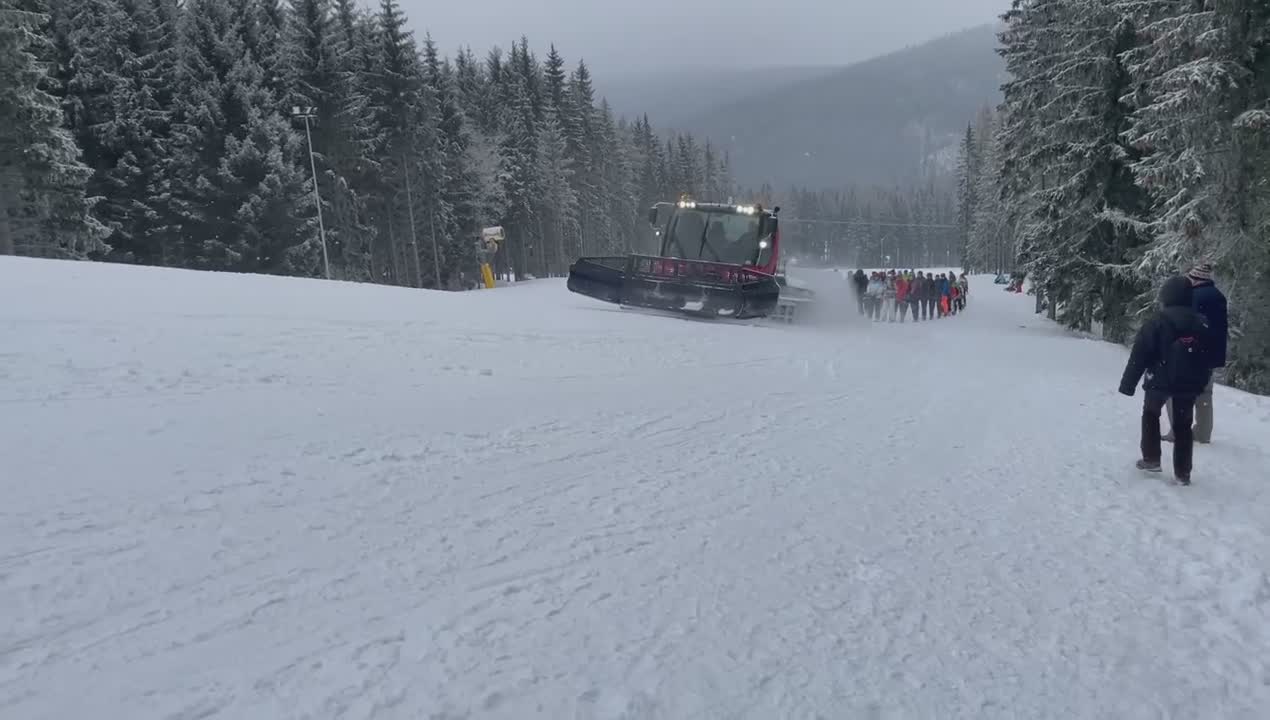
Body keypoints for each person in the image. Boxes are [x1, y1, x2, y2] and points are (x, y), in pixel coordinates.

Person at [1118, 275, 1213, 485]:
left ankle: (1151, 458)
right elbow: (1208, 355)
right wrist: (1202, 379)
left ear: (1166, 296)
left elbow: (1139, 354)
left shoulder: (1156, 321)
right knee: (1183, 425)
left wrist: (1128, 384)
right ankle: (1183, 472)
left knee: (1151, 414)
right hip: (1188, 383)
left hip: (1158, 379)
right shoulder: (1201, 322)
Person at [1166, 262, 1227, 444]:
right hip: (1211, 354)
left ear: (1195, 279)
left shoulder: (1193, 297)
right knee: (1205, 394)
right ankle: (1203, 433)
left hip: (1192, 353)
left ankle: (1177, 432)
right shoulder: (1218, 296)